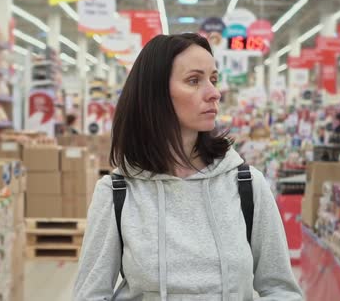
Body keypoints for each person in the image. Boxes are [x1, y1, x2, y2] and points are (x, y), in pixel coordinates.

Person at [73, 33, 302, 300]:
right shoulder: (117, 192)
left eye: (213, 80)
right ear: (155, 94)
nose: (214, 93)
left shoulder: (247, 185)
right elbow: (89, 295)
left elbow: (282, 290)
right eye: (194, 80)